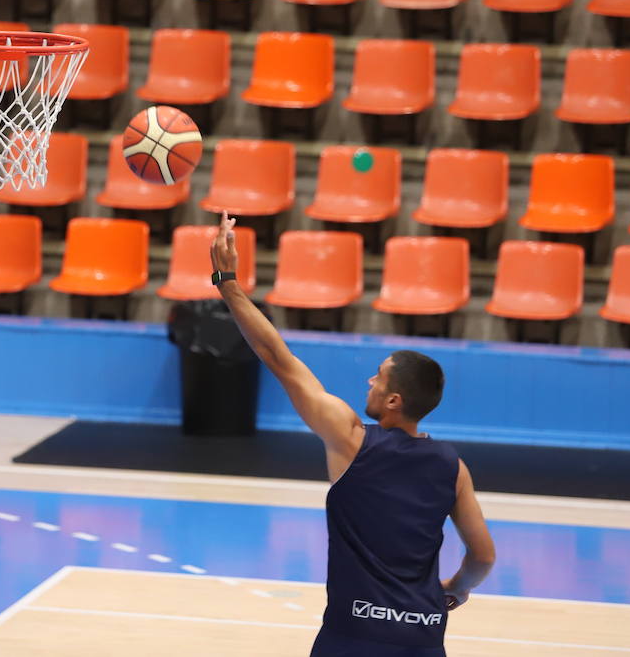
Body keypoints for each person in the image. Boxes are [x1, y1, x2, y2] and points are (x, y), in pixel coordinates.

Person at [209, 212, 496, 656]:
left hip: (352, 637)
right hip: (421, 639)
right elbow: (483, 557)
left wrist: (228, 282)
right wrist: (456, 591)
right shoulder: (453, 468)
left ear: (395, 400)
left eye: (378, 378)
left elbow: (277, 357)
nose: (369, 383)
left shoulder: (351, 440)